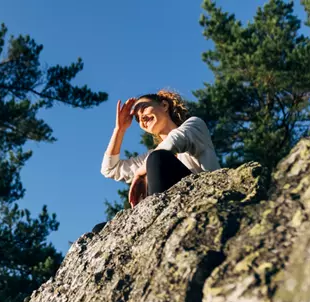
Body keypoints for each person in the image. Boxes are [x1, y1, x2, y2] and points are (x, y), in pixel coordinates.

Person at [92, 90, 221, 234]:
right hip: (166, 208)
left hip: (201, 201)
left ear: (164, 105)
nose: (142, 119)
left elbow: (173, 142)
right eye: (137, 119)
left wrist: (140, 173)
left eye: (143, 109)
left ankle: (156, 229)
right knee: (100, 230)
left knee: (157, 159)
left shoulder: (195, 126)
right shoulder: (150, 158)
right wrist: (120, 129)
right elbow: (109, 169)